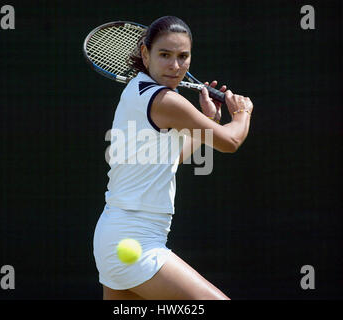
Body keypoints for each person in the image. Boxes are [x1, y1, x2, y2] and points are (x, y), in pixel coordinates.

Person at [93, 16, 253, 300]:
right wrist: (242, 114)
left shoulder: (136, 90)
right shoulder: (166, 101)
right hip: (135, 242)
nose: (175, 66)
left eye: (183, 56)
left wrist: (205, 120)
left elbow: (171, 158)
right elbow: (230, 141)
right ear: (145, 53)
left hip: (115, 238)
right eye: (165, 55)